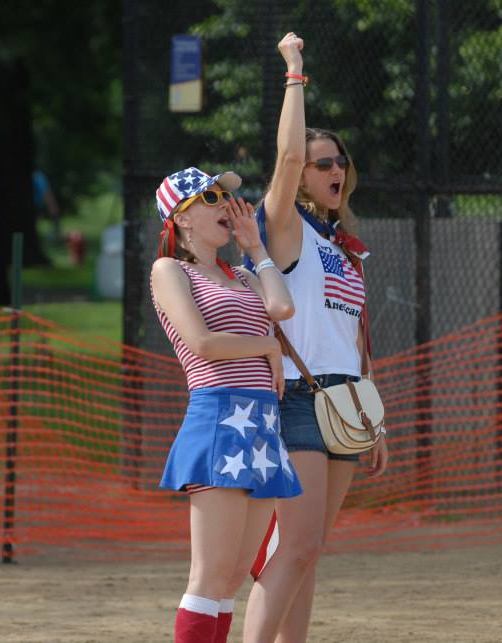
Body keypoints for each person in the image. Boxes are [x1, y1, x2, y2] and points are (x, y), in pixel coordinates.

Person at [242, 32, 389, 643]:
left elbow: (352, 340)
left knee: (310, 552)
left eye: (340, 161)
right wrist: (295, 72)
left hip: (346, 402)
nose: (335, 169)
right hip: (297, 399)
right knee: (296, 546)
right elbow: (283, 158)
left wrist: (374, 417)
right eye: (322, 162)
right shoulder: (286, 230)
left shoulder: (344, 248)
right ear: (303, 179)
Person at [150, 166, 302, 643]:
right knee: (210, 576)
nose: (225, 205)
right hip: (219, 417)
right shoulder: (169, 269)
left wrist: (255, 247)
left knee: (233, 578)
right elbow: (201, 342)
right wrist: (267, 348)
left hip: (260, 425)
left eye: (225, 195)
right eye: (211, 197)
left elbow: (281, 308)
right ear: (181, 218)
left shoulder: (240, 273)